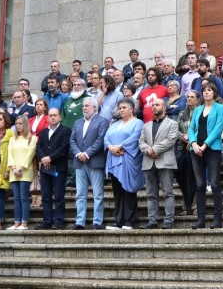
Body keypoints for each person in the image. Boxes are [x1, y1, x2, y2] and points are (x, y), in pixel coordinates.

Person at [188, 83, 223, 229]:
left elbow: (218, 128)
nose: (206, 92)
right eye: (204, 90)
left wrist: (204, 145)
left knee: (215, 184)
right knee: (199, 185)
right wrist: (193, 143)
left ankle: (217, 219)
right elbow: (191, 127)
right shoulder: (198, 109)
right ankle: (201, 219)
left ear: (215, 93)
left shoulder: (220, 108)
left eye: (209, 90)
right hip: (196, 149)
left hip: (212, 149)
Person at [69, 97, 109, 230]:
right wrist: (78, 154)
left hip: (94, 161)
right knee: (80, 194)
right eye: (83, 106)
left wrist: (87, 154)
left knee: (98, 194)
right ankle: (80, 221)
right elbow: (72, 140)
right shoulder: (77, 122)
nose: (84, 108)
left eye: (87, 106)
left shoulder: (102, 121)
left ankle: (97, 221)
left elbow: (100, 140)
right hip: (79, 162)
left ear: (95, 108)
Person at [139, 99, 180, 229]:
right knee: (151, 194)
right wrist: (148, 150)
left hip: (165, 162)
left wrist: (154, 149)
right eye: (153, 105)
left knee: (168, 193)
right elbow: (141, 141)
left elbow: (171, 140)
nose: (154, 107)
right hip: (149, 162)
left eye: (157, 105)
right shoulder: (146, 125)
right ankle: (153, 220)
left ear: (164, 107)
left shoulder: (172, 123)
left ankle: (168, 220)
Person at [104, 99, 145, 230]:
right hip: (115, 159)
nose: (121, 110)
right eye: (120, 107)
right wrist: (111, 147)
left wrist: (120, 146)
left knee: (128, 189)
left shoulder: (138, 123)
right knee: (117, 191)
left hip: (128, 159)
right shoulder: (115, 124)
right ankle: (118, 220)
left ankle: (129, 221)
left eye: (124, 107)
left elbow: (135, 137)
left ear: (131, 109)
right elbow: (106, 137)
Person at [34, 108, 72, 230]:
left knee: (59, 195)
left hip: (58, 168)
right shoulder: (44, 132)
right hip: (45, 168)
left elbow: (64, 148)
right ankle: (47, 221)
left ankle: (59, 221)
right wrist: (43, 158)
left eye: (55, 115)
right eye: (50, 115)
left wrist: (50, 157)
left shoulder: (65, 131)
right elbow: (39, 146)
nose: (52, 117)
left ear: (60, 117)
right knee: (45, 195)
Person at [6, 115, 37, 230]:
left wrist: (21, 168)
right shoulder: (12, 139)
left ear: (25, 124)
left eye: (20, 123)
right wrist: (13, 168)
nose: (18, 126)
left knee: (24, 197)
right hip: (14, 171)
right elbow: (10, 154)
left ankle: (24, 223)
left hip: (25, 171)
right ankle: (16, 222)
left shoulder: (32, 138)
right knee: (16, 198)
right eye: (17, 124)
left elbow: (30, 155)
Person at [176, 90, 199, 216]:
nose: (189, 99)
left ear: (197, 99)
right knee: (183, 179)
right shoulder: (181, 114)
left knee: (195, 178)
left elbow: (202, 128)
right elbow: (176, 130)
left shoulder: (201, 112)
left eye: (192, 97)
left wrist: (192, 138)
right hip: (182, 149)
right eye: (188, 97)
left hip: (196, 149)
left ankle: (195, 207)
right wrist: (183, 137)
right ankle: (185, 206)